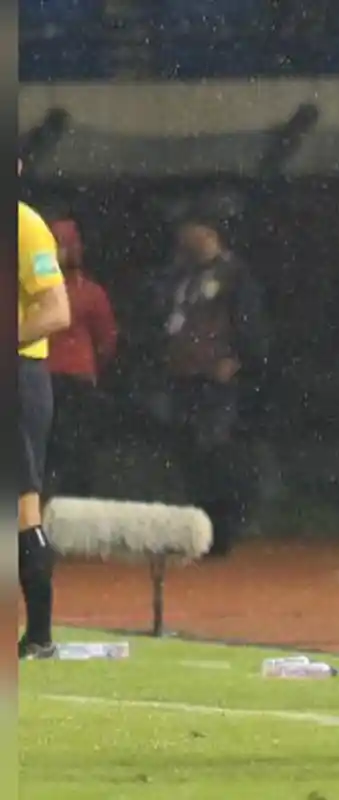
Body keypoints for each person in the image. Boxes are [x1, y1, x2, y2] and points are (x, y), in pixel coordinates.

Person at [152, 207, 269, 558]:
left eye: (190, 228)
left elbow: (252, 325)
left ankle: (222, 532)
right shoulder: (181, 275)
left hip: (214, 382)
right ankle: (196, 533)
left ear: (208, 232)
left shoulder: (235, 275)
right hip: (184, 377)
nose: (183, 236)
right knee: (188, 454)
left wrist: (239, 361)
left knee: (215, 453)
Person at [18, 164, 73, 659]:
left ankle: (39, 636)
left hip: (15, 376)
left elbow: (57, 311)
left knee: (20, 507)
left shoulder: (23, 224)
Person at [46, 217, 119, 499]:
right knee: (70, 447)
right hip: (64, 377)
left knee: (69, 448)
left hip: (64, 379)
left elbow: (107, 338)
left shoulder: (87, 292)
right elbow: (107, 340)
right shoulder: (88, 292)